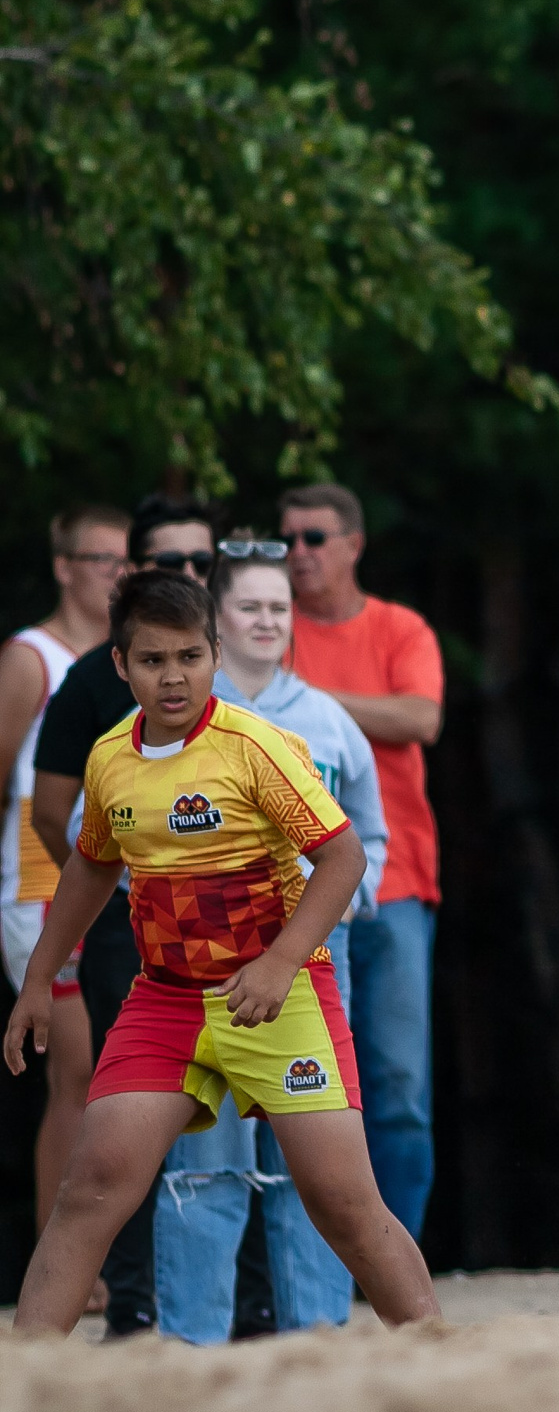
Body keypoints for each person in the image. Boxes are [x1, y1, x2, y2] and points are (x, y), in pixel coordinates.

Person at [4, 570, 437, 1334]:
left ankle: (443, 1356)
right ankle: (25, 1379)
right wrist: (40, 975)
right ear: (120, 664)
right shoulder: (109, 758)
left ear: (214, 654)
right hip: (166, 999)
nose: (173, 677)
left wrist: (280, 962)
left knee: (341, 1200)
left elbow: (343, 857)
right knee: (91, 1185)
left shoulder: (256, 745)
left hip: (280, 994)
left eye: (190, 657)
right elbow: (93, 866)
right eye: (152, 660)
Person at [152, 537, 391, 1343]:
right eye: (249, 605)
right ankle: (191, 1347)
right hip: (200, 967)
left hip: (315, 962)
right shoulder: (165, 720)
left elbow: (370, 835)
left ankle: (317, 1341)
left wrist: (352, 902)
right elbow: (106, 830)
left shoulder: (329, 720)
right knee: (204, 1159)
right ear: (214, 620)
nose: (267, 620)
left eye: (279, 607)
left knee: (316, 1163)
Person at [29, 492, 220, 1334]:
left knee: (288, 1147)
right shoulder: (92, 699)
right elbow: (58, 820)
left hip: (252, 949)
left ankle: (254, 1308)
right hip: (134, 941)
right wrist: (120, 884)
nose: (190, 573)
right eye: (171, 561)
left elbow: (340, 848)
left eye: (204, 560)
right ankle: (131, 1305)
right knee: (119, 1127)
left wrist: (286, 946)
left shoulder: (251, 699)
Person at [278, 482, 443, 1242]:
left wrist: (304, 699)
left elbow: (421, 716)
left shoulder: (398, 627)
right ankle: (318, 1262)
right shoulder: (268, 627)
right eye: (288, 539)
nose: (298, 553)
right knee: (302, 1084)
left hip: (395, 881)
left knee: (398, 1083)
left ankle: (395, 1262)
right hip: (288, 892)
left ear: (354, 544)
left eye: (314, 538)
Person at [1, 504, 126, 1245]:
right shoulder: (31, 658)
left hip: (116, 879)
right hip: (42, 881)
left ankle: (96, 1260)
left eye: (126, 560)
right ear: (63, 566)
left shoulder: (134, 658)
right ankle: (65, 1263)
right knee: (76, 1067)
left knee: (108, 1068)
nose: (116, 573)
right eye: (101, 558)